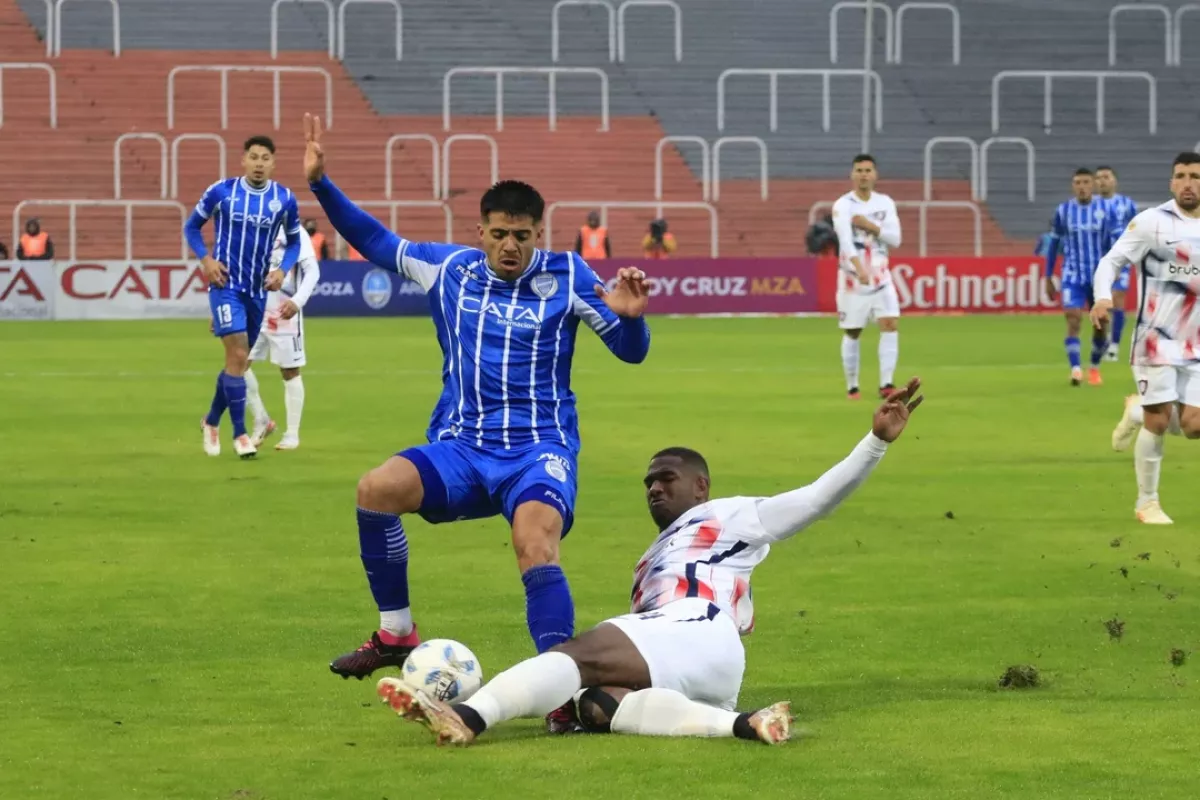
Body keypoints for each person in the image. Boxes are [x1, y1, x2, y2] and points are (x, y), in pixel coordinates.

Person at [301, 114, 652, 732]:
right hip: (462, 447)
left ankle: (560, 689)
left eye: (521, 234)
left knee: (535, 542)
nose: (509, 245)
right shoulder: (451, 269)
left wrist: (630, 318)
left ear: (538, 232)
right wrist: (323, 185)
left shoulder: (569, 276)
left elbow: (632, 354)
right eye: (498, 234)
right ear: (481, 232)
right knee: (375, 490)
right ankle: (396, 635)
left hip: (538, 449)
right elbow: (376, 240)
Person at [376, 378, 924, 747]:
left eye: (666, 479)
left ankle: (466, 718)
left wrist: (875, 442)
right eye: (648, 483)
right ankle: (745, 724)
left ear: (701, 486)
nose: (654, 488)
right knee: (596, 703)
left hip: (699, 625)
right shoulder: (650, 563)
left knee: (580, 653)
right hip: (704, 665)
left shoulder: (731, 515)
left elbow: (816, 497)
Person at [1091, 152, 1200, 525]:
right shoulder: (1152, 222)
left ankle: (1137, 409)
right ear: (1172, 182)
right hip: (1155, 341)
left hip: (1197, 345)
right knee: (1159, 422)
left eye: (1196, 176)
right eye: (1182, 176)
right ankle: (1147, 503)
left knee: (1194, 426)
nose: (1189, 183)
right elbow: (1111, 261)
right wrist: (1103, 296)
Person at [184, 135, 302, 459]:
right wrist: (206, 260)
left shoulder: (285, 199)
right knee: (237, 354)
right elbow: (191, 227)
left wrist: (283, 271)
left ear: (273, 163)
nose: (259, 163)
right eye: (254, 157)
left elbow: (294, 243)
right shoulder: (221, 191)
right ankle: (240, 435)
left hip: (257, 291)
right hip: (225, 285)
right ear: (243, 160)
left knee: (237, 362)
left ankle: (210, 421)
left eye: (265, 158)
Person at [244, 225, 321, 451]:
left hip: (283, 311)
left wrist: (297, 301)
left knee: (289, 371)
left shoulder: (294, 230)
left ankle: (292, 435)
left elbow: (312, 270)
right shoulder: (252, 225)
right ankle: (261, 420)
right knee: (237, 365)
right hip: (255, 309)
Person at [833, 154, 902, 400]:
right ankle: (852, 385)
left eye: (868, 170)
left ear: (875, 174)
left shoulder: (885, 203)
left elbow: (895, 239)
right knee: (853, 331)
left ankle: (887, 384)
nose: (863, 175)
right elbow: (844, 241)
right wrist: (859, 268)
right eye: (859, 170)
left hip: (881, 276)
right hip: (853, 279)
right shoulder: (843, 205)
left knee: (890, 324)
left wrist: (870, 226)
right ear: (852, 175)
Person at [1044, 168, 1112, 387]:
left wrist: (1116, 272)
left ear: (1092, 185)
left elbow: (1115, 244)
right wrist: (1048, 275)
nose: (1081, 186)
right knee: (1073, 318)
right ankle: (1075, 369)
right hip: (1072, 275)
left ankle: (1093, 367)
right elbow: (1053, 245)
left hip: (1099, 276)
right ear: (1073, 186)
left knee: (1100, 324)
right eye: (1077, 182)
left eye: (1085, 182)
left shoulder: (1105, 210)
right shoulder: (1063, 212)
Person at [1094, 167, 1138, 361]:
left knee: (1117, 297)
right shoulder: (1091, 206)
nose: (1102, 181)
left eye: (1106, 177)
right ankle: (1101, 342)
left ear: (1114, 180)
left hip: (1122, 260)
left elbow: (1137, 232)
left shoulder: (1127, 205)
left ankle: (1114, 346)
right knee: (1100, 302)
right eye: (1099, 178)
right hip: (1095, 261)